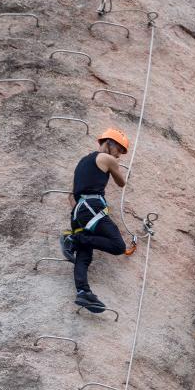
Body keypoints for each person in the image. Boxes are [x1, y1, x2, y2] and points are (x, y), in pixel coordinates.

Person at [60, 128, 129, 313]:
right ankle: (73, 240)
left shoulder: (82, 162)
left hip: (78, 212)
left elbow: (71, 195)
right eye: (120, 150)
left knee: (84, 257)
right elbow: (122, 183)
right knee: (118, 246)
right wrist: (115, 165)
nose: (120, 155)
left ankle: (83, 291)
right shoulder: (107, 159)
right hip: (92, 208)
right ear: (110, 143)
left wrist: (80, 214)